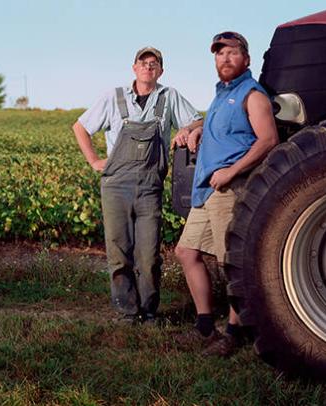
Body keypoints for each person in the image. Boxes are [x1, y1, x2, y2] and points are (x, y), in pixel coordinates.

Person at [73, 47, 202, 324]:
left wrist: (186, 129)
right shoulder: (114, 97)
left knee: (149, 255)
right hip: (116, 186)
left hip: (149, 187)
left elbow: (198, 120)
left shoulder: (169, 97)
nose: (148, 67)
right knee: (119, 253)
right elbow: (80, 127)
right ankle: (127, 312)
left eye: (153, 64)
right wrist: (94, 160)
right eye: (143, 63)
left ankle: (150, 311)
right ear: (134, 68)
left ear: (160, 71)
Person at [173, 32, 278, 355]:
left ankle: (234, 332)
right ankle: (205, 326)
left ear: (246, 59)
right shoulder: (221, 95)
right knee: (186, 252)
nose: (225, 59)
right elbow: (219, 125)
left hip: (231, 188)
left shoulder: (252, 94)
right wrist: (194, 128)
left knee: (228, 262)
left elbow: (268, 139)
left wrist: (232, 172)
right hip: (207, 189)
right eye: (219, 54)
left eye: (231, 53)